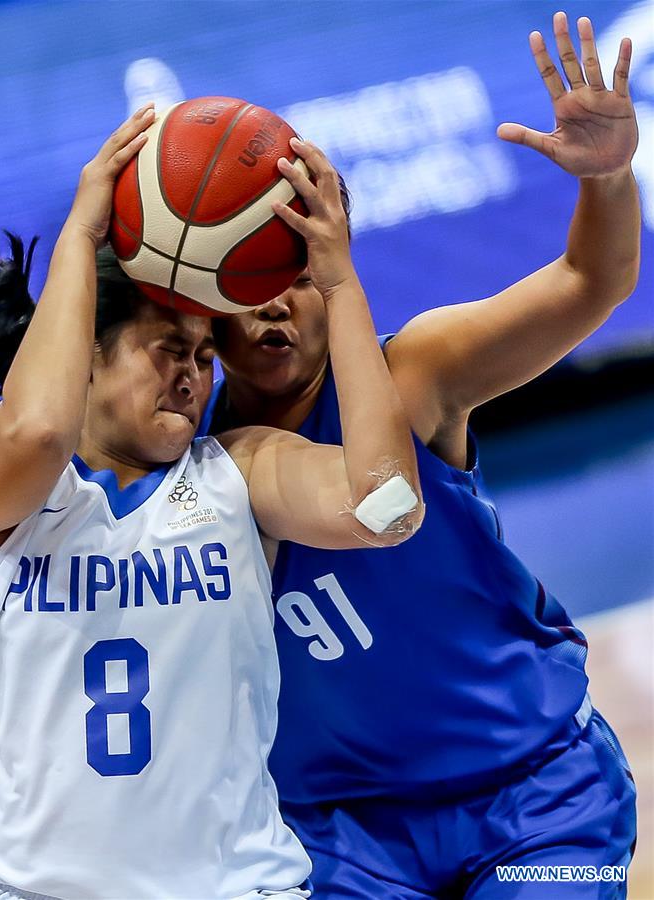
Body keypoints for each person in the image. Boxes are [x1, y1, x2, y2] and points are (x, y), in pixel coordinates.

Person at [0, 105, 424, 900]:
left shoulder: (238, 471)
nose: (192, 374)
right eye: (166, 350)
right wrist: (82, 236)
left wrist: (338, 281)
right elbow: (40, 430)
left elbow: (386, 508)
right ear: (84, 353)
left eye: (201, 354)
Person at [202, 14, 640, 899]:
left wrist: (609, 180)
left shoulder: (416, 372)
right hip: (338, 833)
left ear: (335, 268)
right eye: (244, 288)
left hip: (532, 791)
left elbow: (592, 282)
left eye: (294, 276)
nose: (271, 311)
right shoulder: (187, 452)